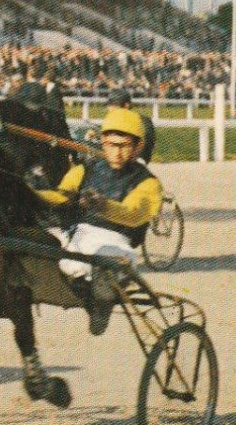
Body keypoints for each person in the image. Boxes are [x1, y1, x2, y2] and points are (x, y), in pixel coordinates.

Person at [37, 107, 164, 335]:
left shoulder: (148, 183)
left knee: (107, 261)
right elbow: (61, 196)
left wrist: (103, 205)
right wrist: (30, 193)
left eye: (124, 146)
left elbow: (134, 213)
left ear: (137, 147)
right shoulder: (84, 170)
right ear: (103, 142)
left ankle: (101, 305)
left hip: (115, 242)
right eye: (111, 145)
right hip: (74, 235)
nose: (117, 153)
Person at [107, 88, 157, 163]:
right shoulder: (114, 121)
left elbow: (146, 146)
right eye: (109, 105)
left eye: (114, 105)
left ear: (126, 105)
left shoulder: (142, 122)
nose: (110, 108)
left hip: (135, 165)